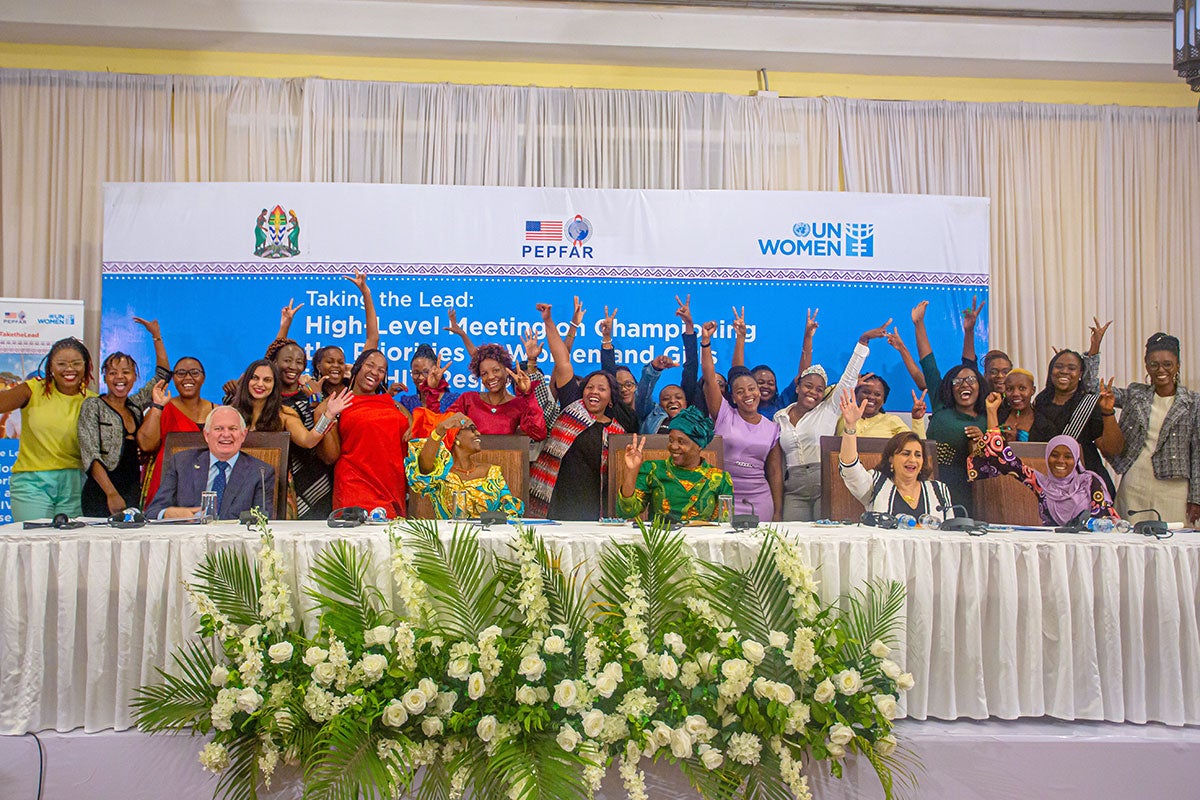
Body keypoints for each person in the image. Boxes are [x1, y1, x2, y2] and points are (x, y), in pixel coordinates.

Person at [528, 302, 637, 520]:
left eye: (601, 388)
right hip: (553, 503)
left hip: (595, 511)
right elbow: (562, 360)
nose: (593, 391)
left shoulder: (618, 431)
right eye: (589, 387)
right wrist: (548, 321)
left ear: (611, 399)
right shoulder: (572, 407)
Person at [775, 319, 891, 521]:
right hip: (793, 489)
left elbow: (848, 378)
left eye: (820, 389)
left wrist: (863, 341)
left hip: (825, 483)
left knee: (822, 539)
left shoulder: (829, 409)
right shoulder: (780, 417)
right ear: (797, 388)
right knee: (793, 538)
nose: (813, 392)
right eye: (808, 386)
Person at [969, 391, 1118, 527]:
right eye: (1054, 455)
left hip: (1086, 549)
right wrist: (991, 411)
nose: (1060, 461)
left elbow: (1103, 522)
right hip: (1051, 548)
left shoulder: (1090, 482)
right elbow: (1003, 457)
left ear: (1076, 460)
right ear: (1047, 458)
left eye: (1068, 456)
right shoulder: (1040, 483)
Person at [1103, 332, 1200, 525]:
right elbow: (1093, 390)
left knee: (1172, 546)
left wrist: (1196, 498)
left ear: (1177, 366)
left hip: (1175, 489)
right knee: (1131, 545)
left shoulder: (1193, 402)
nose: (1160, 370)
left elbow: (1197, 451)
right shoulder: (1136, 393)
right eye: (1154, 364)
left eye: (1167, 364)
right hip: (1135, 483)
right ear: (1147, 366)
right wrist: (1094, 352)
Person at [77, 318, 170, 516]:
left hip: (131, 489)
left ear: (135, 376)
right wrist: (111, 493)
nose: (120, 377)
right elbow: (90, 455)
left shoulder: (135, 406)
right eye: (113, 373)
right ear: (104, 377)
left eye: (126, 372)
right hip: (102, 491)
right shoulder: (93, 406)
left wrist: (156, 336)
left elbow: (163, 376)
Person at [0, 337, 97, 521]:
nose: (69, 369)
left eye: (76, 363)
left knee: (70, 547)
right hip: (32, 484)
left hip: (75, 484)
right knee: (33, 544)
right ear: (50, 366)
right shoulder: (32, 389)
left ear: (86, 366)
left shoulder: (93, 401)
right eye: (61, 364)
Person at [701, 318, 782, 521]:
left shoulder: (772, 428)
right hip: (724, 497)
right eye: (740, 391)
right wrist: (705, 343)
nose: (748, 394)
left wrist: (778, 511)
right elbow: (710, 378)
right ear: (734, 397)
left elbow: (774, 472)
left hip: (760, 500)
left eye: (752, 388)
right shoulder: (724, 414)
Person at [912, 300, 987, 516]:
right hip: (933, 482)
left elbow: (969, 364)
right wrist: (919, 325)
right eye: (957, 382)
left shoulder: (987, 414)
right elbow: (929, 363)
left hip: (972, 488)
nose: (964, 385)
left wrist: (970, 331)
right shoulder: (941, 405)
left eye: (970, 381)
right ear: (950, 388)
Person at [838, 392, 956, 522]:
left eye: (918, 455)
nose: (912, 460)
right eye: (905, 453)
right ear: (891, 459)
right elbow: (850, 469)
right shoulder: (876, 484)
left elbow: (948, 531)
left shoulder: (938, 489)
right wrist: (850, 426)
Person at [146, 405, 276, 520]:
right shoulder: (181, 463)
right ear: (206, 435)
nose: (226, 435)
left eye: (233, 429)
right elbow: (153, 512)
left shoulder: (261, 472)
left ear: (243, 434)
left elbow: (263, 519)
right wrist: (168, 513)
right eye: (219, 429)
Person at [324, 348, 411, 518]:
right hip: (355, 487)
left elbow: (411, 427)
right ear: (357, 367)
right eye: (370, 365)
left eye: (381, 370)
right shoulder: (339, 401)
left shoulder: (391, 403)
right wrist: (328, 416)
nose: (374, 372)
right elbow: (330, 455)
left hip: (392, 487)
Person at [1029, 349, 1123, 497]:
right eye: (1059, 366)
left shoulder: (1089, 403)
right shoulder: (1040, 401)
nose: (1064, 371)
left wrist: (1107, 412)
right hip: (1049, 483)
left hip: (1084, 484)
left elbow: (1112, 450)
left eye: (1071, 368)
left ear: (1080, 374)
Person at [616, 407, 734, 522]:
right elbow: (626, 512)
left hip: (702, 541)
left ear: (699, 445)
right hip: (660, 540)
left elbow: (724, 527)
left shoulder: (720, 479)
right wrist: (632, 471)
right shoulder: (653, 470)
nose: (673, 446)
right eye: (671, 440)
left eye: (681, 442)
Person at [405, 410, 523, 519]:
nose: (478, 433)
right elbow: (423, 470)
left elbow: (511, 510)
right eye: (471, 429)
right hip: (449, 539)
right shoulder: (440, 475)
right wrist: (440, 429)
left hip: (487, 537)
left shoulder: (492, 472)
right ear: (455, 436)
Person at [138, 355, 216, 508]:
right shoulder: (164, 408)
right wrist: (158, 406)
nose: (188, 378)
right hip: (168, 484)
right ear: (173, 379)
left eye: (194, 372)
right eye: (180, 373)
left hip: (206, 483)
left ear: (203, 378)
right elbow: (146, 445)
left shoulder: (217, 412)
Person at [446, 343, 546, 440]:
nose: (490, 377)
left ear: (507, 371)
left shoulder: (518, 404)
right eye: (484, 373)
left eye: (496, 370)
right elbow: (444, 427)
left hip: (507, 456)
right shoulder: (468, 399)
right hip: (470, 457)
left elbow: (538, 434)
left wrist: (528, 394)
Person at [834, 374, 927, 440]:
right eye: (866, 392)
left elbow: (916, 447)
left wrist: (917, 420)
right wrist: (850, 385)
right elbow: (824, 397)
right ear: (855, 393)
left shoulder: (892, 420)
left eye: (877, 394)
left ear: (883, 401)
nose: (871, 397)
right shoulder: (841, 416)